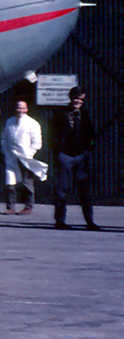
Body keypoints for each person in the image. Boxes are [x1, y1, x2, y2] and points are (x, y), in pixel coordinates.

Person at [53, 87, 99, 231]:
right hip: (65, 156)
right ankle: (60, 221)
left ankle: (89, 221)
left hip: (81, 156)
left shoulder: (86, 115)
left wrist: (88, 150)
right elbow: (52, 133)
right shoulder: (60, 114)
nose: (78, 101)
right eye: (75, 98)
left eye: (81, 99)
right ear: (70, 98)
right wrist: (57, 150)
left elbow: (92, 135)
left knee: (84, 191)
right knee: (62, 190)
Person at [1, 100, 44, 214]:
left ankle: (28, 207)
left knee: (26, 183)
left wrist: (29, 154)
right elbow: (4, 137)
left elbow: (37, 143)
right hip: (11, 156)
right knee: (9, 183)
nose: (20, 110)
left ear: (27, 109)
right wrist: (5, 151)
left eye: (23, 108)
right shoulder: (9, 121)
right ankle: (10, 207)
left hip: (25, 158)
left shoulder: (32, 123)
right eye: (18, 108)